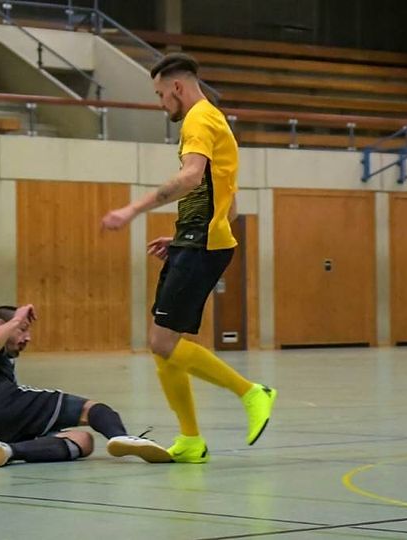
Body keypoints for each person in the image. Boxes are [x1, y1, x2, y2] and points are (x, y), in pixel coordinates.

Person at [101, 53, 276, 464]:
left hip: (203, 244)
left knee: (161, 342)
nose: (161, 103)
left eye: (160, 94)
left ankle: (252, 392)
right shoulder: (214, 120)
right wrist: (182, 238)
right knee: (162, 343)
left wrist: (133, 209)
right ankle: (191, 439)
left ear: (177, 87)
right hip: (198, 241)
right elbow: (229, 202)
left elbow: (190, 177)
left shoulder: (198, 119)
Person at [0, 305, 171, 466]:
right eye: (23, 330)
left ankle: (8, 450)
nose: (28, 338)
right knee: (91, 409)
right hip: (7, 403)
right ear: (1, 324)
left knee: (83, 441)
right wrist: (17, 320)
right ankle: (122, 437)